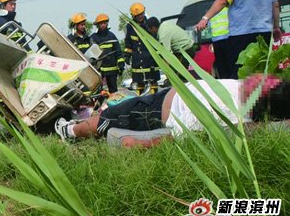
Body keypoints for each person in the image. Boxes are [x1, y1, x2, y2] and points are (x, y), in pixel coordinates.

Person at [54, 74, 289, 147]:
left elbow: (183, 135)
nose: (257, 78)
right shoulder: (245, 99)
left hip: (154, 111)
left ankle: (70, 132)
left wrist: (140, 144)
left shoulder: (231, 114)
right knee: (111, 111)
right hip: (162, 98)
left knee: (105, 119)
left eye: (262, 84)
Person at [195, 0, 281, 79]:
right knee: (262, 70)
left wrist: (205, 18)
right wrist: (276, 27)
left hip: (241, 35)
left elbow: (223, 1)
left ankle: (242, 98)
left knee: (241, 73)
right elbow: (275, 6)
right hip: (265, 33)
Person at [124, 3, 160, 95]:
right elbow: (128, 42)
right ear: (133, 16)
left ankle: (154, 98)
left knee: (153, 81)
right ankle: (139, 99)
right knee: (139, 81)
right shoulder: (130, 27)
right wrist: (127, 56)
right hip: (137, 58)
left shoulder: (149, 24)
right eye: (137, 15)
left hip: (150, 57)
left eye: (141, 14)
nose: (140, 16)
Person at [91, 13, 125, 94]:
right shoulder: (93, 37)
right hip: (99, 71)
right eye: (101, 23)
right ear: (98, 25)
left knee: (113, 92)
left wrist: (121, 64)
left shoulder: (112, 36)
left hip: (112, 70)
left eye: (104, 23)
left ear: (107, 23)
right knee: (98, 92)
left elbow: (118, 52)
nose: (103, 25)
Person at [209, 0, 231, 78]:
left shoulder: (212, 8)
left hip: (217, 42)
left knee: (222, 70)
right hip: (229, 40)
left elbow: (209, 28)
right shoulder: (229, 6)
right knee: (232, 67)